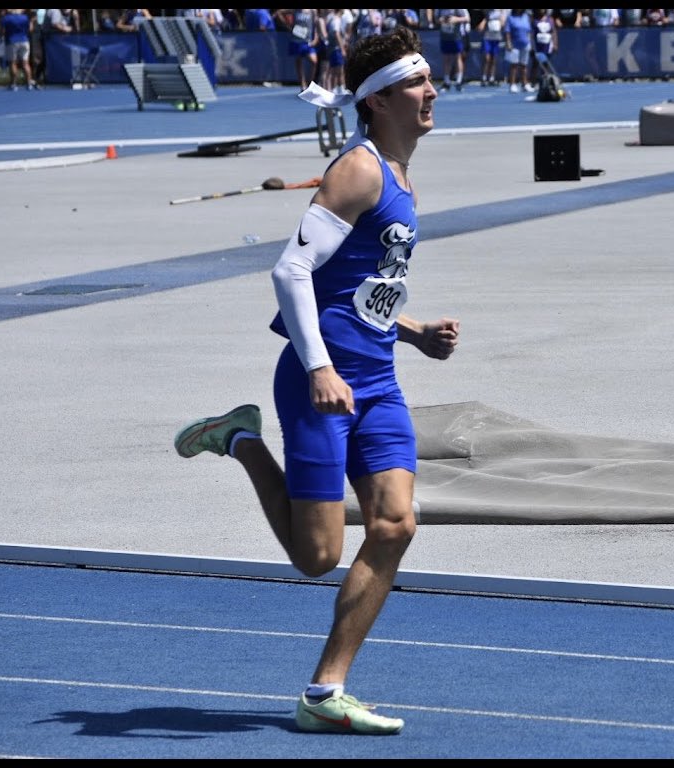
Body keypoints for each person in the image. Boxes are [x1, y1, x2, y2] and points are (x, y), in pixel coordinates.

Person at [173, 26, 459, 734]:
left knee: (395, 524)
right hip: (319, 381)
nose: (433, 92)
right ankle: (240, 440)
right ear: (380, 99)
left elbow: (355, 286)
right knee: (317, 557)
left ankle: (326, 691)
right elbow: (290, 271)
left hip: (377, 378)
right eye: (418, 83)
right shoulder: (358, 170)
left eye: (429, 80)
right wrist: (320, 366)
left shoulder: (400, 174)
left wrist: (413, 330)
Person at [0, 9, 35, 90]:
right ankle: (29, 83)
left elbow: (2, 31)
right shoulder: (25, 18)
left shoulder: (6, 18)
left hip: (12, 41)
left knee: (13, 63)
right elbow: (30, 30)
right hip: (24, 41)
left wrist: (1, 37)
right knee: (25, 63)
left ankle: (13, 84)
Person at [436, 9, 470, 91]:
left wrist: (456, 19)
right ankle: (446, 82)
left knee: (458, 57)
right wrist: (441, 20)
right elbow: (436, 20)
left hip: (456, 36)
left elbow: (467, 18)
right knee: (446, 58)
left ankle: (459, 81)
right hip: (445, 36)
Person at [475, 8, 506, 86]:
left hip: (496, 37)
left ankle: (492, 78)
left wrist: (501, 18)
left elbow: (503, 24)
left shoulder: (500, 12)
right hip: (487, 37)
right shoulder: (487, 12)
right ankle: (484, 77)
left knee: (494, 58)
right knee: (487, 58)